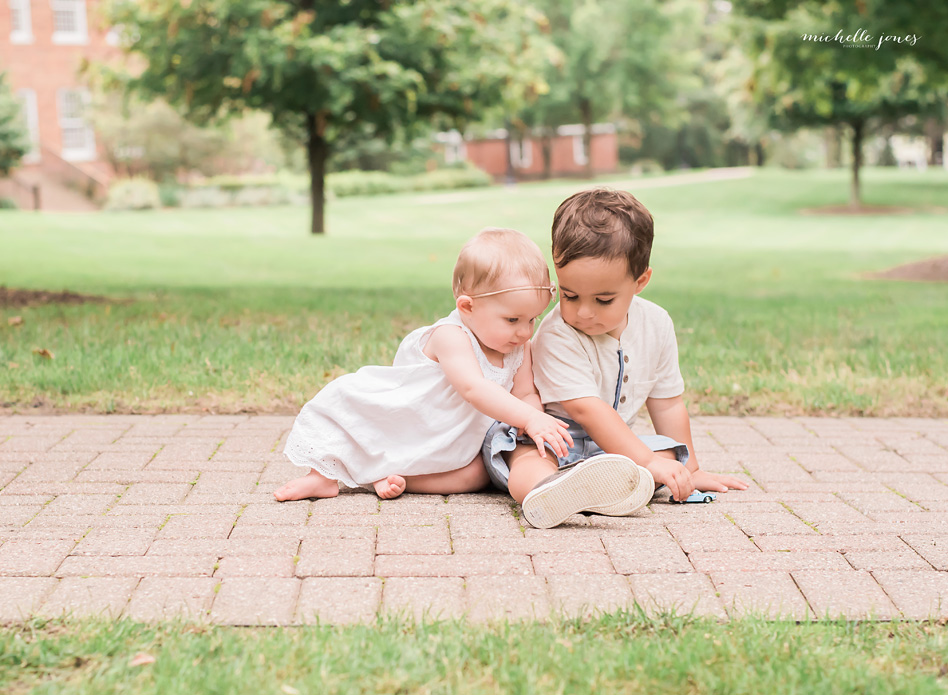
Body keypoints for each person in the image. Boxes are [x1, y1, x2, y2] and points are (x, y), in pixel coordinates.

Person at [483, 189, 747, 528]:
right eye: (570, 295)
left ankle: (599, 488)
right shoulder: (557, 333)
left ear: (640, 281)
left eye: (603, 299)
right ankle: (545, 493)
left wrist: (689, 471)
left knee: (667, 454)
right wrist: (646, 462)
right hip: (551, 437)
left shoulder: (656, 324)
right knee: (528, 460)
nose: (583, 312)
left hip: (612, 448)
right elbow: (585, 410)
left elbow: (667, 404)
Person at [274, 228, 574, 502]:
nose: (524, 332)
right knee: (348, 414)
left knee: (477, 475)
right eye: (512, 320)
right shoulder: (451, 336)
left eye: (532, 319)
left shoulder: (518, 346)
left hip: (454, 436)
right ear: (468, 307)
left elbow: (524, 394)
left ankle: (393, 476)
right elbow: (473, 388)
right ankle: (321, 477)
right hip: (413, 418)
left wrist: (534, 418)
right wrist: (529, 419)